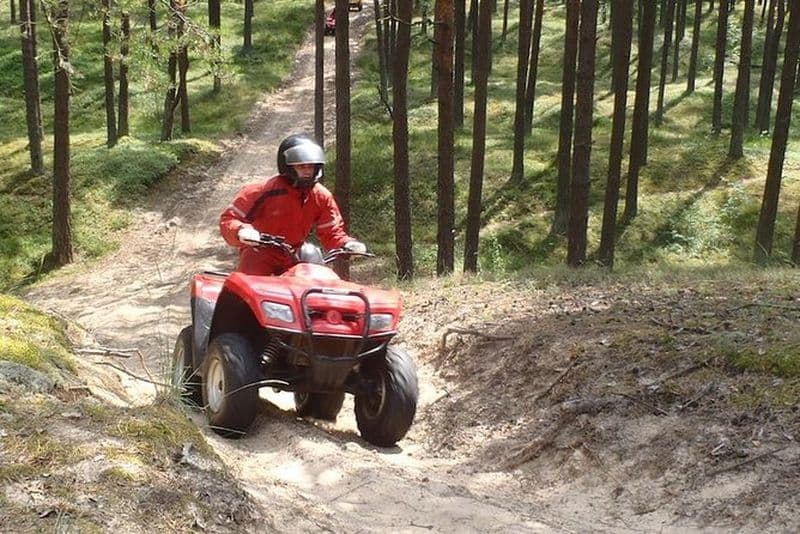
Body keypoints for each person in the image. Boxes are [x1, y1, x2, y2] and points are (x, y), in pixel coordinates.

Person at [220, 134, 366, 275]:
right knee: (248, 283)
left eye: (311, 166)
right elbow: (229, 218)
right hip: (261, 249)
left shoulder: (321, 196)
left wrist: (347, 244)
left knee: (315, 266)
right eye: (301, 166)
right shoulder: (262, 190)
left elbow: (332, 232)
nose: (307, 171)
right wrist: (241, 231)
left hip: (296, 253)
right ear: (288, 166)